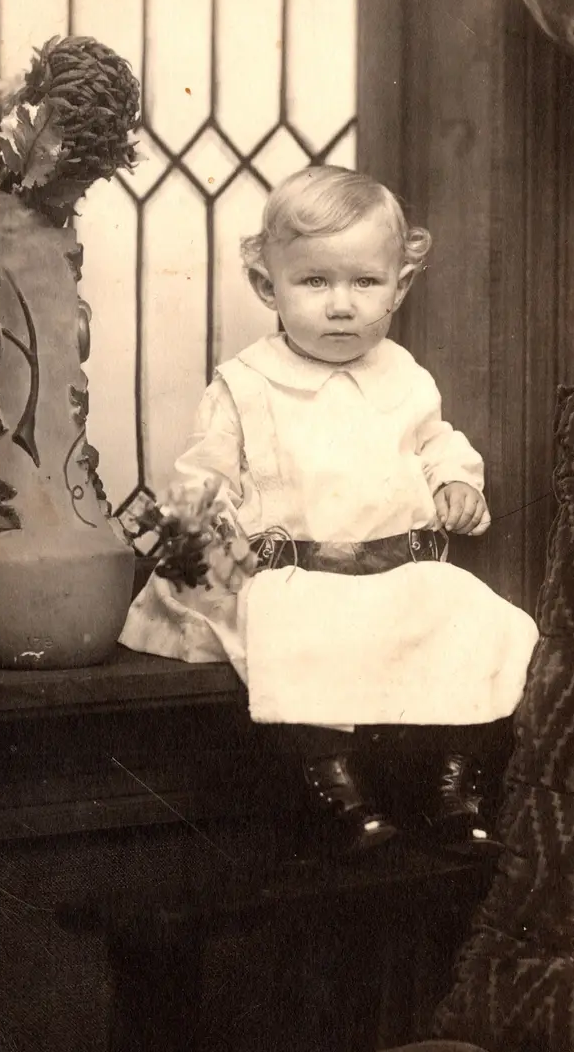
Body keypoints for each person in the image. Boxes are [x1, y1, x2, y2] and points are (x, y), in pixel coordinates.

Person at [121, 166, 538, 855]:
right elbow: (201, 481)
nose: (340, 305)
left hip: (398, 572)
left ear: (398, 287)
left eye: (364, 283)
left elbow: (437, 442)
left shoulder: (403, 375)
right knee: (294, 637)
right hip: (295, 572)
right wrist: (222, 568)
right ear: (268, 287)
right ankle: (334, 787)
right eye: (314, 282)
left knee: (483, 624)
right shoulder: (247, 386)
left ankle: (453, 786)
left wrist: (456, 483)